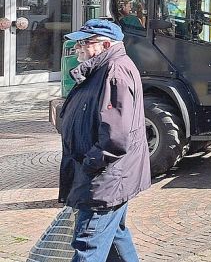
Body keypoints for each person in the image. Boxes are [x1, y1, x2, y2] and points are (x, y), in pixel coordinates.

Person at [58, 19, 150, 261]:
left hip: (104, 179)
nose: (78, 48)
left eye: (84, 43)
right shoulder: (102, 68)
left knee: (88, 245)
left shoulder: (115, 72)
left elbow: (115, 137)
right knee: (115, 236)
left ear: (105, 44)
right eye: (78, 43)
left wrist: (89, 165)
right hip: (108, 176)